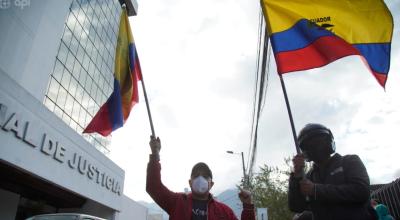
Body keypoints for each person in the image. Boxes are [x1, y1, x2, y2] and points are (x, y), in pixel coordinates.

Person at [146, 136, 256, 220]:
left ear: (211, 184)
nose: (200, 178)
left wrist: (248, 206)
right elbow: (153, 187)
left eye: (205, 176)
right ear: (190, 182)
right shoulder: (177, 202)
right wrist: (155, 155)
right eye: (196, 175)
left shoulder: (224, 212)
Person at [288, 123, 375, 220]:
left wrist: (316, 190)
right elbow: (296, 206)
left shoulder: (349, 161)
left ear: (328, 141)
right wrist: (296, 175)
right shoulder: (308, 177)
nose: (316, 147)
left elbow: (361, 191)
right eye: (310, 145)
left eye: (319, 142)